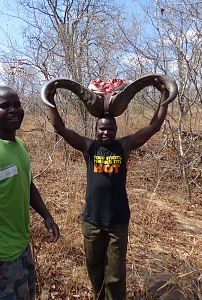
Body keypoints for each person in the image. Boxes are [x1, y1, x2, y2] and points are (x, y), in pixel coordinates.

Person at [47, 81, 169, 300]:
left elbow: (154, 126)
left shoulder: (124, 146)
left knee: (115, 273)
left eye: (110, 129)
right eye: (102, 128)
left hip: (117, 222)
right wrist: (51, 100)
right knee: (94, 268)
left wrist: (164, 96)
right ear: (96, 130)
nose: (106, 132)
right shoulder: (89, 147)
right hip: (92, 221)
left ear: (116, 130)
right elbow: (61, 128)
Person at [0, 86, 60, 299]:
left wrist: (46, 215)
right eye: (4, 106)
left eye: (17, 105)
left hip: (21, 245)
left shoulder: (20, 146)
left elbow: (28, 185)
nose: (13, 110)